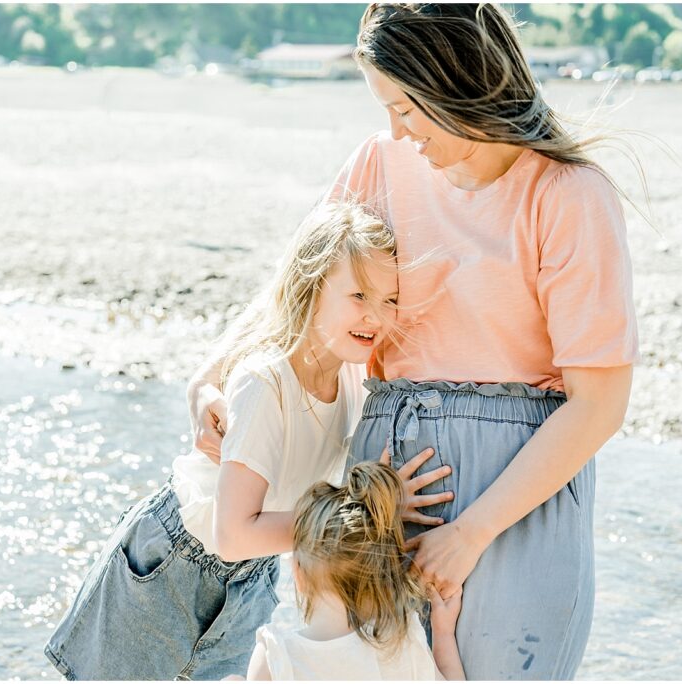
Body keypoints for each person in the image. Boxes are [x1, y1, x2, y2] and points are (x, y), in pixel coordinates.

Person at [189, 4, 638, 679]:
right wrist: (210, 380)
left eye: (405, 107)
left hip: (518, 492)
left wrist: (472, 531)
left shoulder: (569, 195)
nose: (397, 131)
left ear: (454, 80)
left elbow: (598, 403)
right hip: (383, 484)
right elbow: (303, 289)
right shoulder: (381, 160)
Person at [44, 202, 450, 680]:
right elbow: (233, 534)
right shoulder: (265, 383)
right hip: (171, 564)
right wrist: (368, 506)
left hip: (253, 574)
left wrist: (375, 507)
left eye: (389, 299)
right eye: (359, 294)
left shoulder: (356, 380)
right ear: (312, 287)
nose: (376, 316)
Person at [238, 460, 466, 681]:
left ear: (298, 574)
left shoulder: (276, 657)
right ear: (382, 574)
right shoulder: (404, 645)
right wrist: (443, 634)